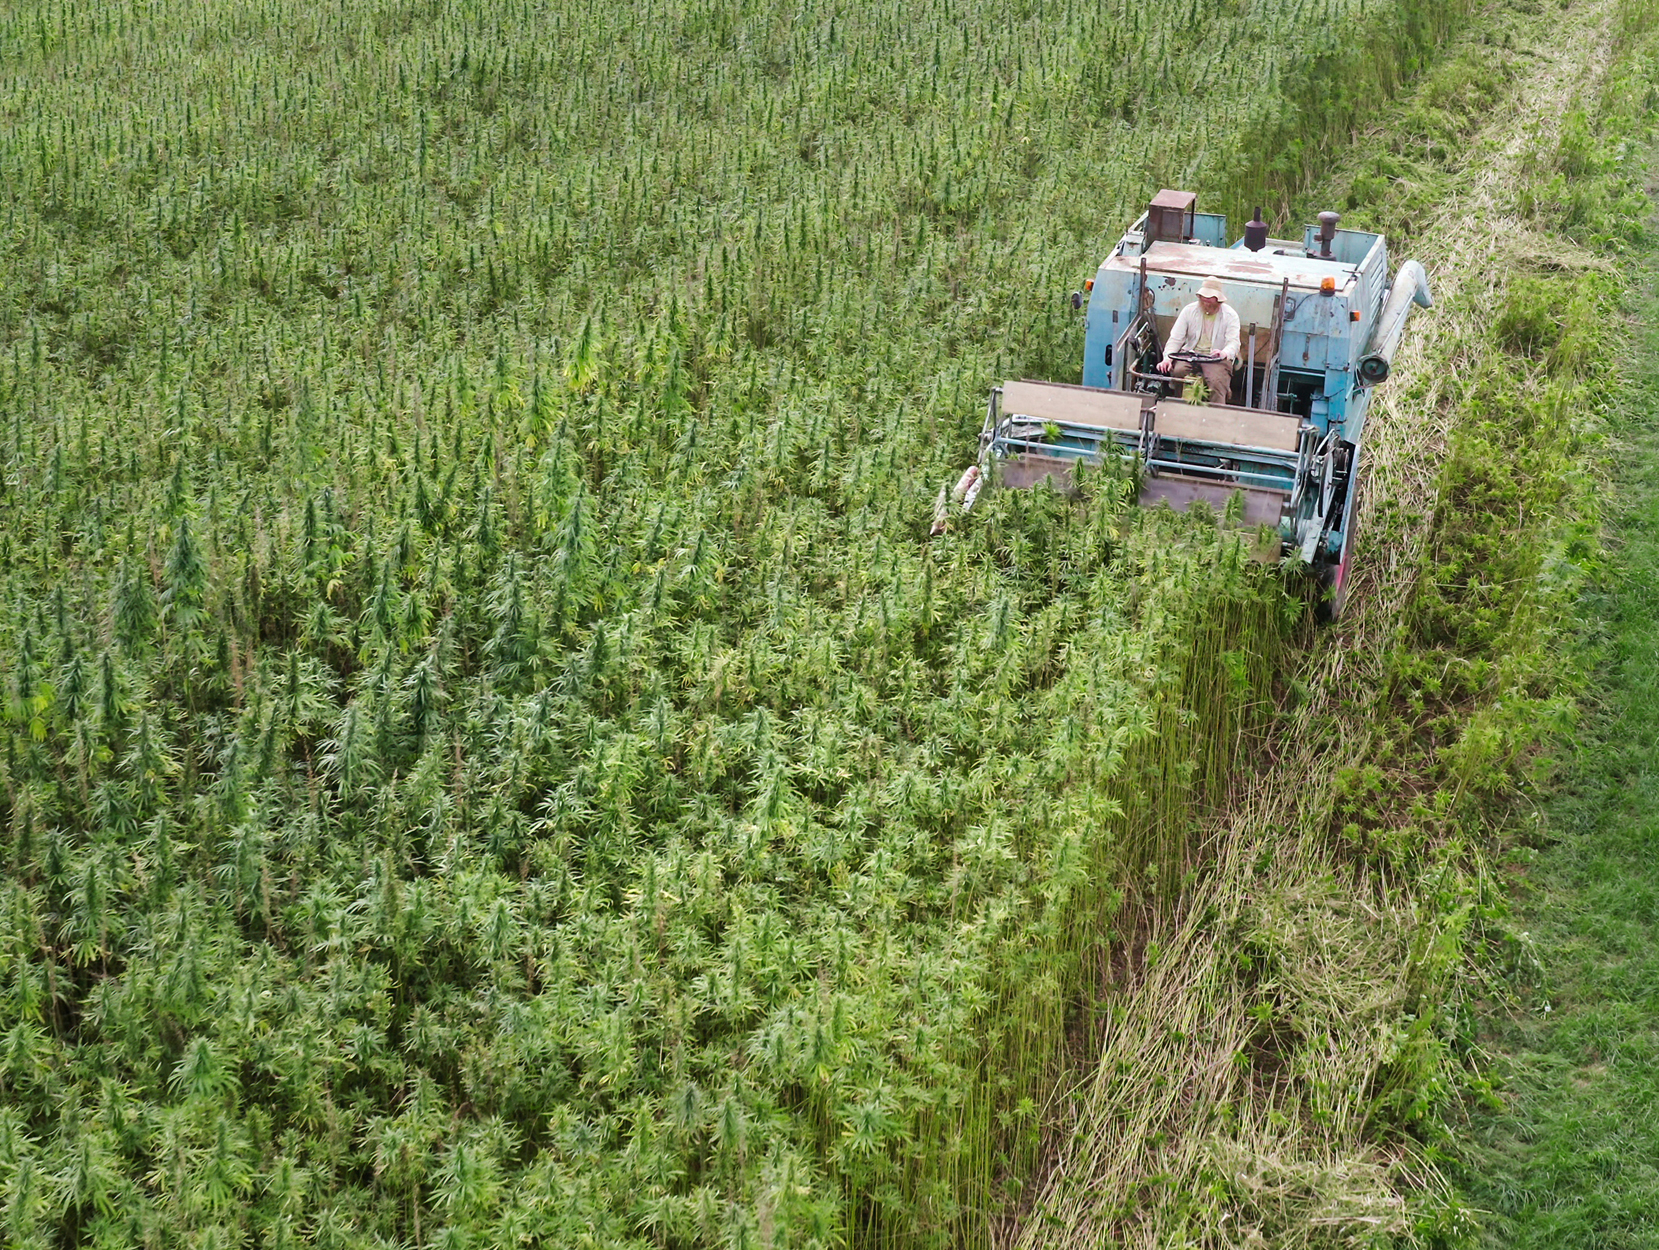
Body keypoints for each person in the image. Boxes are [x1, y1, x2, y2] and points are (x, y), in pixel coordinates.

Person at [1157, 280, 1240, 406]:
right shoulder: (1189, 311)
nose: (1206, 301)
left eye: (1210, 298)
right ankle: (1178, 405)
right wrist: (1167, 358)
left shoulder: (1230, 316)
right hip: (1190, 354)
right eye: (1203, 297)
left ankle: (1216, 413)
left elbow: (1233, 343)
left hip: (1215, 358)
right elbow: (1176, 338)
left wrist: (1223, 353)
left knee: (1216, 381)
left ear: (1218, 299)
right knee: (1178, 372)